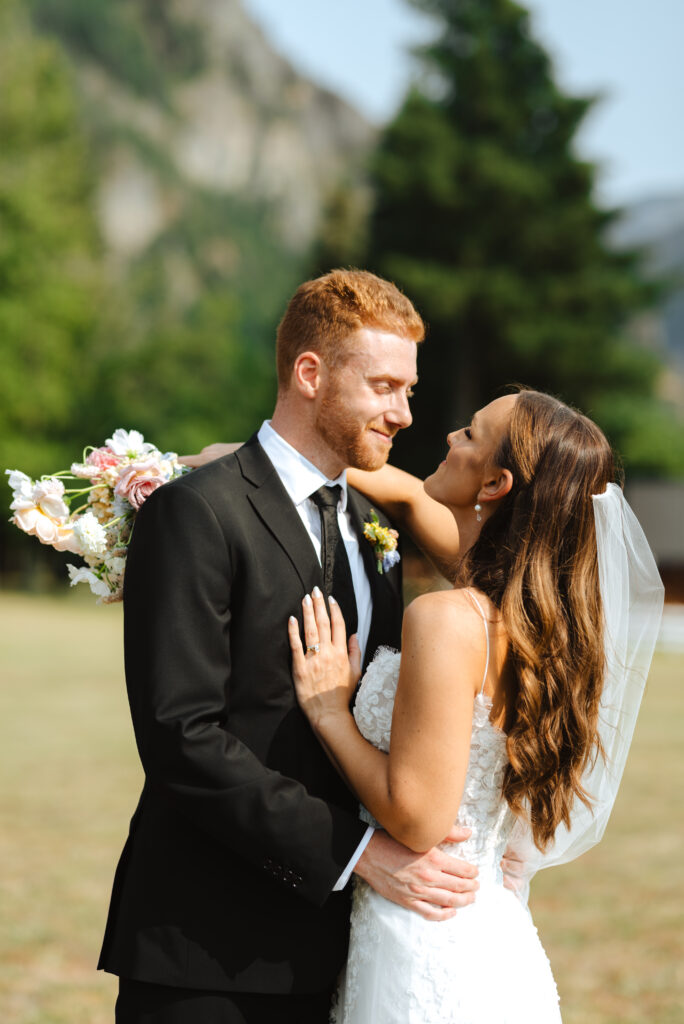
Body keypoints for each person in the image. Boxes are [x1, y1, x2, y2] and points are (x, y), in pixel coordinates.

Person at [99, 269, 481, 1024]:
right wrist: (358, 855)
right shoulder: (197, 513)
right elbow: (182, 736)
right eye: (383, 387)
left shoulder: (373, 523)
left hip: (345, 954)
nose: (404, 413)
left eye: (407, 389)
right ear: (310, 373)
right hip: (208, 949)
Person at [286, 388, 664, 1023]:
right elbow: (406, 495)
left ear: (495, 483)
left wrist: (329, 711)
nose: (449, 436)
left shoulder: (446, 619)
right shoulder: (547, 621)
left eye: (469, 433)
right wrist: (253, 462)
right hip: (489, 931)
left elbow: (417, 820)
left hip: (428, 940)